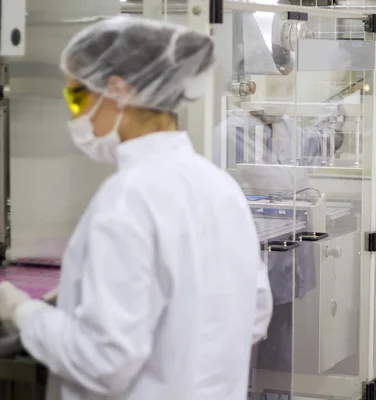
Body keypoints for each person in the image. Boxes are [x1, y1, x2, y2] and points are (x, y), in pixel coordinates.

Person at [0, 16, 272, 400]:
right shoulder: (219, 186)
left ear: (118, 90)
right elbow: (255, 314)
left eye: (76, 97)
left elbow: (102, 362)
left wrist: (23, 312)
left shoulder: (128, 198)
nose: (74, 114)